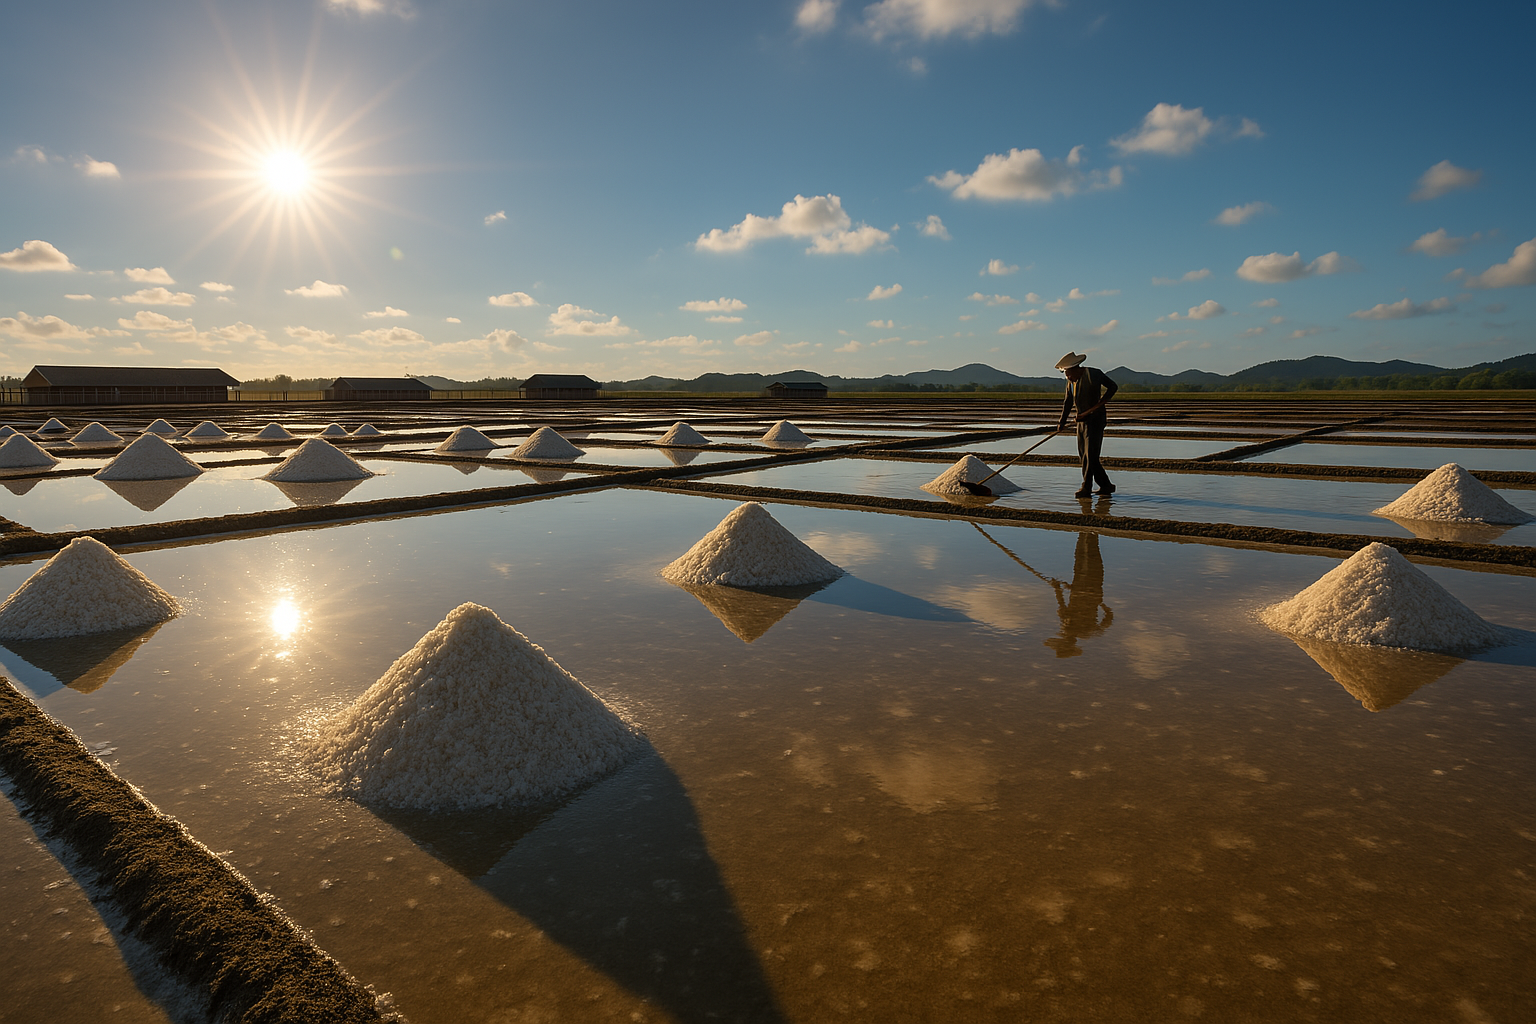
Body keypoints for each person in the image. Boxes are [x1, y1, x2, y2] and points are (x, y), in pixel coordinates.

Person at [1054, 351, 1118, 498]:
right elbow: (1068, 402)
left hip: (1096, 420)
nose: (1068, 377)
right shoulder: (1071, 382)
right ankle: (1106, 485)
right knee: (1085, 455)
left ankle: (1086, 487)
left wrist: (1099, 405)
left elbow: (1113, 387)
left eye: (1068, 373)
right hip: (1081, 422)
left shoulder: (1093, 374)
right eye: (1066, 374)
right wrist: (1061, 422)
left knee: (1090, 455)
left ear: (1076, 368)